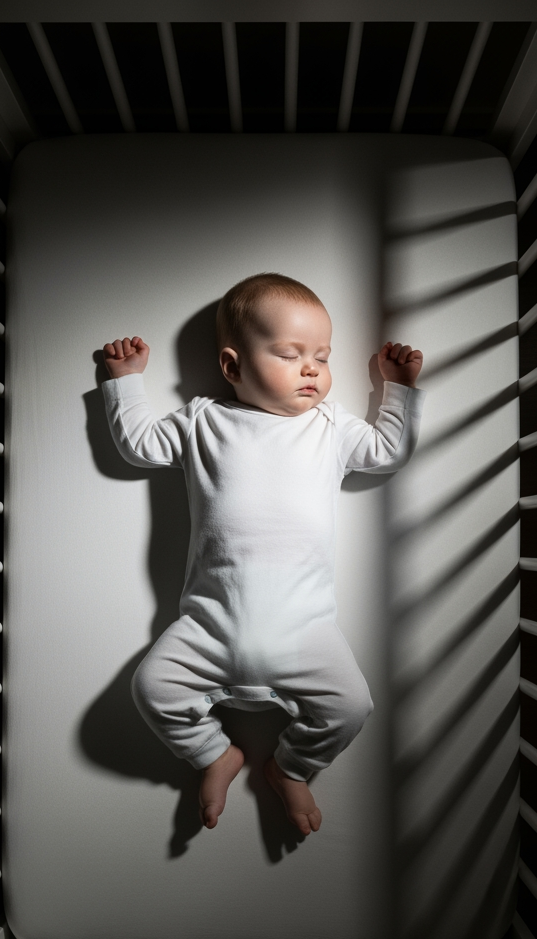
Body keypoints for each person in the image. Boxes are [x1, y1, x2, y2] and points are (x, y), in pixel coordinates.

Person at [100, 273, 424, 836]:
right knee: (152, 689)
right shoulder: (202, 420)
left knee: (351, 707)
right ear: (232, 366)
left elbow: (386, 451)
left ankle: (292, 767)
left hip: (306, 630)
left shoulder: (330, 427)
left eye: (322, 357)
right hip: (209, 625)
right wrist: (125, 382)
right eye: (290, 353)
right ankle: (213, 754)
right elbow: (141, 445)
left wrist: (399, 391)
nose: (312, 369)